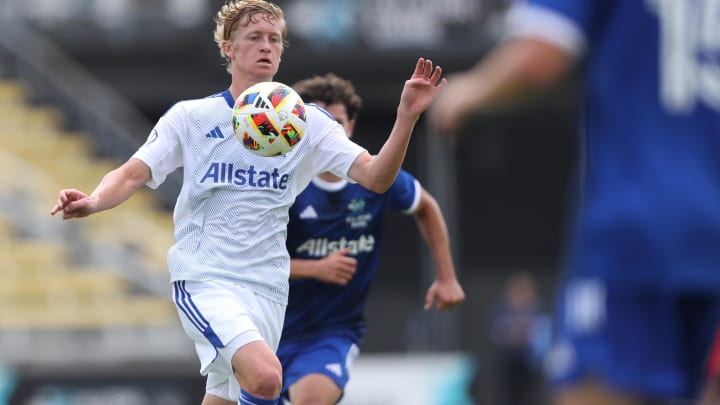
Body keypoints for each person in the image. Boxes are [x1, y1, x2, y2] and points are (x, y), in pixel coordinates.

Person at [49, 1, 447, 404]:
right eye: (254, 37)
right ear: (228, 47)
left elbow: (377, 177)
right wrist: (95, 200)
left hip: (269, 289)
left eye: (274, 39)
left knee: (224, 397)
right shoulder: (192, 117)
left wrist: (406, 116)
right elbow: (133, 172)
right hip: (206, 277)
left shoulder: (308, 125)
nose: (266, 46)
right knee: (267, 379)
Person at [430, 1, 720, 404]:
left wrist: (468, 92)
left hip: (634, 228)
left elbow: (541, 55)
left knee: (594, 391)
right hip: (709, 233)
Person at [275, 73, 465, 405]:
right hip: (268, 327)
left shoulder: (376, 178)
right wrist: (313, 268)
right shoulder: (282, 184)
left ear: (350, 127)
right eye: (317, 122)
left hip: (331, 334)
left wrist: (446, 276)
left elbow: (427, 207)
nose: (326, 130)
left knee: (311, 399)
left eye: (335, 121)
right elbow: (251, 261)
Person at [489, 271, 550, 405]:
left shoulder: (538, 307)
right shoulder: (502, 308)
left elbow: (543, 334)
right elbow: (499, 334)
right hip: (508, 364)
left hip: (531, 364)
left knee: (532, 397)